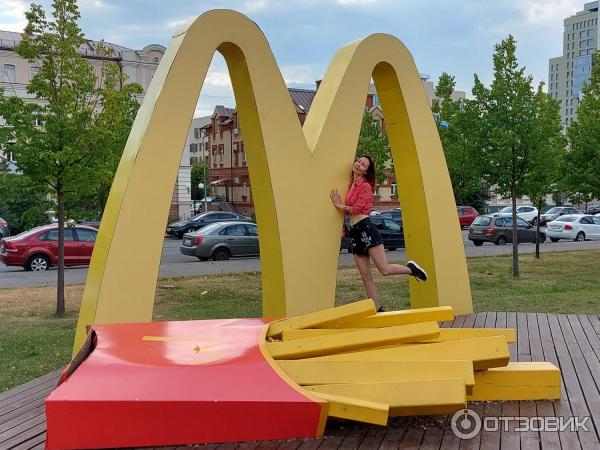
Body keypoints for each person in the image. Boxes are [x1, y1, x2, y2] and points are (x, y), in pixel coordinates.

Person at [330, 155, 427, 312]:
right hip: (355, 232)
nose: (359, 165)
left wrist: (338, 205)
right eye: (359, 162)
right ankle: (377, 308)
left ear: (366, 172)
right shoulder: (352, 185)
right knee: (365, 275)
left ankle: (411, 269)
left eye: (363, 165)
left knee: (384, 270)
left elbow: (358, 208)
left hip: (366, 229)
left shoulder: (365, 186)